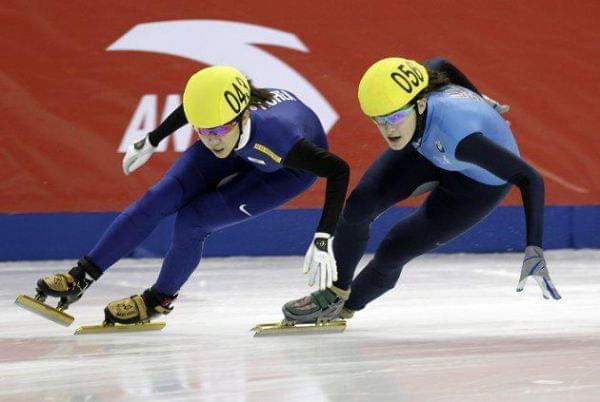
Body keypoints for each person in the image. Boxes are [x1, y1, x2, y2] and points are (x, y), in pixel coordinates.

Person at [31, 65, 349, 326]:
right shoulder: (219, 121)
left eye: (218, 129)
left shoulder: (280, 138)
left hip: (284, 169)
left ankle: (158, 300)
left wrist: (323, 236)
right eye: (203, 131)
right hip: (243, 145)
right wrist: (152, 139)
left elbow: (338, 170)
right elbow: (193, 109)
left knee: (193, 221)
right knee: (157, 198)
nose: (211, 139)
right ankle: (80, 277)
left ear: (243, 116)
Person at [283, 56, 560, 324]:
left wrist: (534, 247)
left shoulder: (463, 138)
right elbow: (439, 62)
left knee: (396, 247)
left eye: (396, 117)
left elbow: (530, 178)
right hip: (426, 148)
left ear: (421, 103)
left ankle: (348, 306)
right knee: (358, 207)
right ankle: (334, 293)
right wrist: (480, 98)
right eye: (378, 119)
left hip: (475, 185)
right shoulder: (414, 102)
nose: (388, 128)